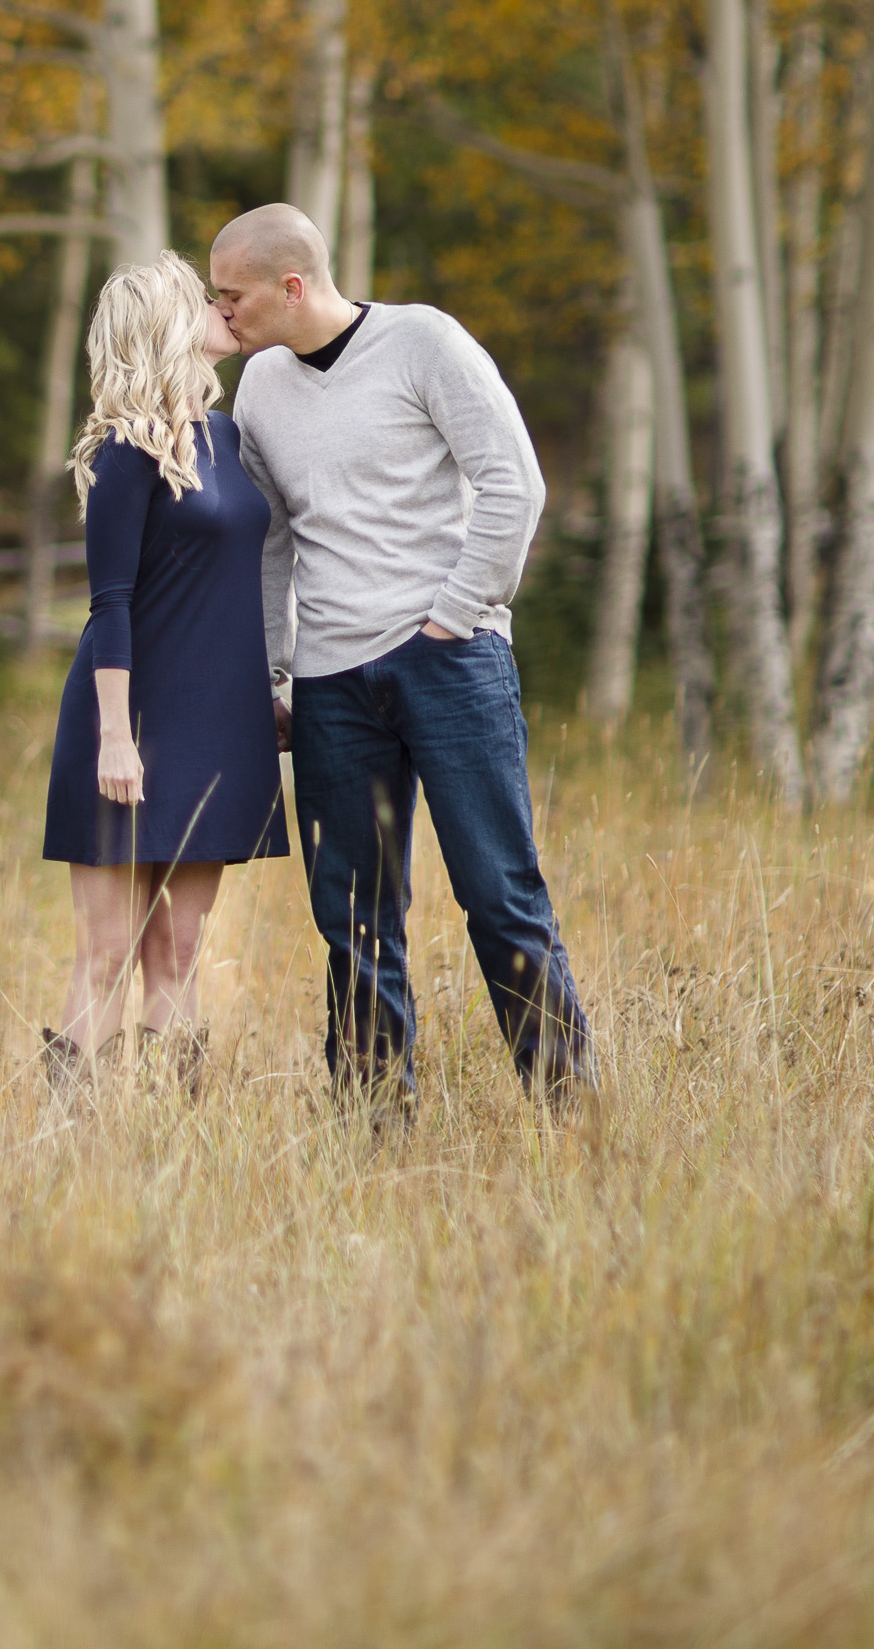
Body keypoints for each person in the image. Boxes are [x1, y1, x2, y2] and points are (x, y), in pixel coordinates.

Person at [212, 201, 594, 1106]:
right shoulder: (259, 387)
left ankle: (567, 1108)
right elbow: (271, 542)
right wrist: (273, 669)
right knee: (351, 916)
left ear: (290, 286)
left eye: (231, 296)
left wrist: (454, 615)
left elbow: (515, 482)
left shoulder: (425, 343)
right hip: (329, 688)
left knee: (497, 893)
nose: (218, 312)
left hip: (449, 664)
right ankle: (373, 1123)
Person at [41, 250, 289, 1092]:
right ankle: (70, 1132)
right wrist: (116, 739)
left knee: (178, 951)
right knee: (108, 951)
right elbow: (107, 602)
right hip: (131, 724)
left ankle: (170, 1134)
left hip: (220, 722)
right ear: (167, 324)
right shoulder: (125, 450)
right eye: (202, 299)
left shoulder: (227, 436)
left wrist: (273, 690)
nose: (223, 307)